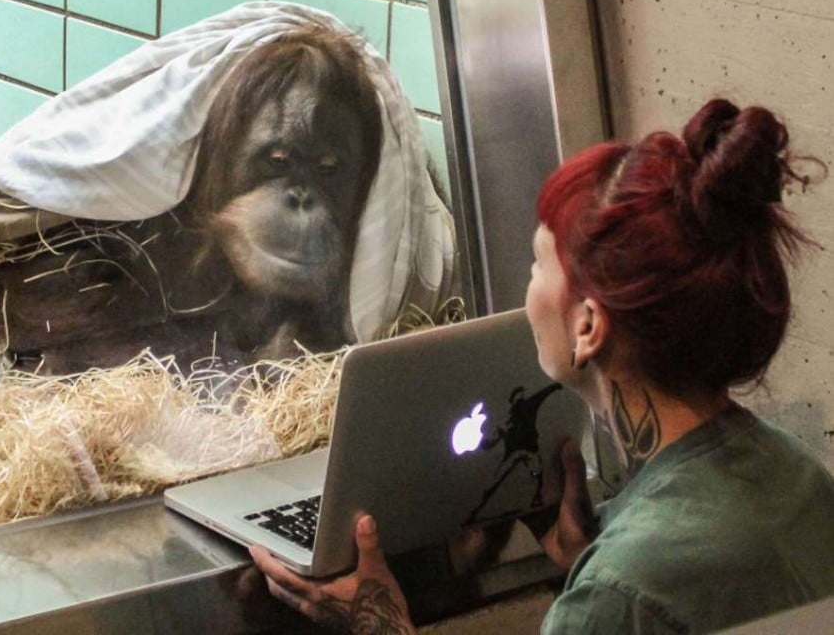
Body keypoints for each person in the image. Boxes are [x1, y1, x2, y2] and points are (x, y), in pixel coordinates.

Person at [249, 99, 834, 633]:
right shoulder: (799, 478)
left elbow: (638, 596)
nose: (528, 291)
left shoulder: (617, 594)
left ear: (587, 325)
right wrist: (588, 556)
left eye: (537, 264)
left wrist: (383, 623)